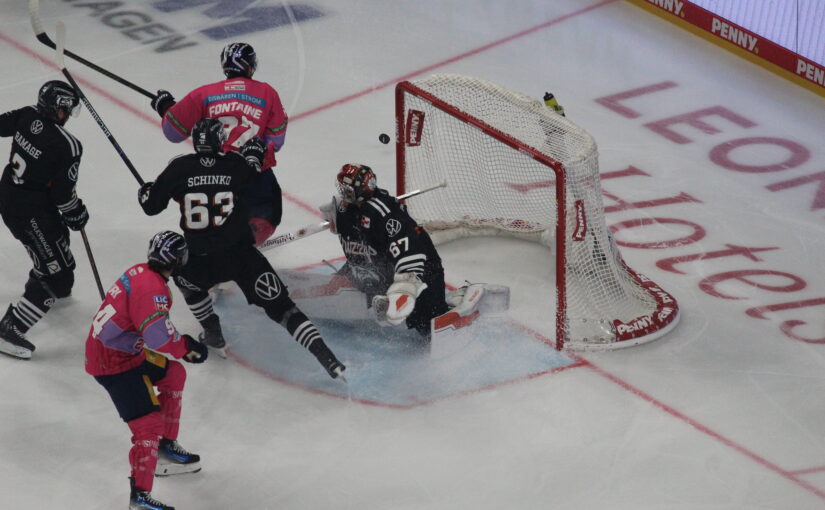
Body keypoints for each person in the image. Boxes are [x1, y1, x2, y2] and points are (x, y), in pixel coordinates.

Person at [138, 118, 345, 379]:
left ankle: (212, 332)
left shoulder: (179, 168)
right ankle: (326, 356)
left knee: (187, 282)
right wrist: (253, 154)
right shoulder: (234, 165)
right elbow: (254, 171)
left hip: (198, 261)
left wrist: (147, 192)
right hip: (240, 257)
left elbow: (150, 206)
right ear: (219, 142)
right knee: (282, 307)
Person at [85, 230, 209, 510]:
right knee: (147, 425)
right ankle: (139, 497)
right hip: (114, 363)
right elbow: (157, 336)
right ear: (176, 260)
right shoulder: (153, 289)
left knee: (174, 374)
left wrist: (179, 347)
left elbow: (147, 328)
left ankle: (164, 448)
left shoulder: (141, 272)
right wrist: (185, 346)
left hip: (126, 352)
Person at [149, 42, 287, 246]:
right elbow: (276, 141)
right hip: (251, 173)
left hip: (211, 174)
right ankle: (249, 240)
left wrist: (166, 106)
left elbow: (173, 132)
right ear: (250, 65)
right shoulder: (267, 92)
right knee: (270, 208)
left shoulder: (204, 94)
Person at [0, 80, 89, 359]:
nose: (68, 116)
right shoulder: (68, 145)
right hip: (31, 211)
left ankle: (52, 283)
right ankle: (10, 328)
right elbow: (64, 196)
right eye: (67, 109)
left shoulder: (27, 115)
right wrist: (77, 212)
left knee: (57, 242)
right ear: (57, 108)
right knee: (56, 271)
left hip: (10, 196)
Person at [320, 164, 449, 341]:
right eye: (343, 189)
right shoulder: (349, 208)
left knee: (427, 326)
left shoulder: (385, 214)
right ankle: (363, 283)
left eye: (348, 190)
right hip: (378, 267)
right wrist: (333, 216)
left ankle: (427, 311)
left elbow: (411, 249)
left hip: (422, 271)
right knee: (362, 276)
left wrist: (403, 289)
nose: (344, 194)